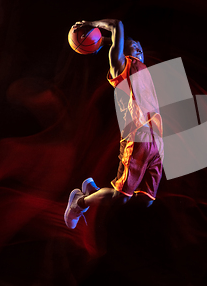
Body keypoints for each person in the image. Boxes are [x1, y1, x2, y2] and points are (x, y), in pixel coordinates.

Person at [64, 19, 164, 229]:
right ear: (121, 50)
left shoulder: (144, 70)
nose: (138, 46)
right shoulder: (121, 65)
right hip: (138, 136)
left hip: (157, 141)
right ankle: (79, 202)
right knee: (122, 196)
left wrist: (101, 40)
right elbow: (118, 26)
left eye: (139, 45)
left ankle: (92, 191)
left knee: (146, 200)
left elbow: (122, 39)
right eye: (132, 46)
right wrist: (93, 26)